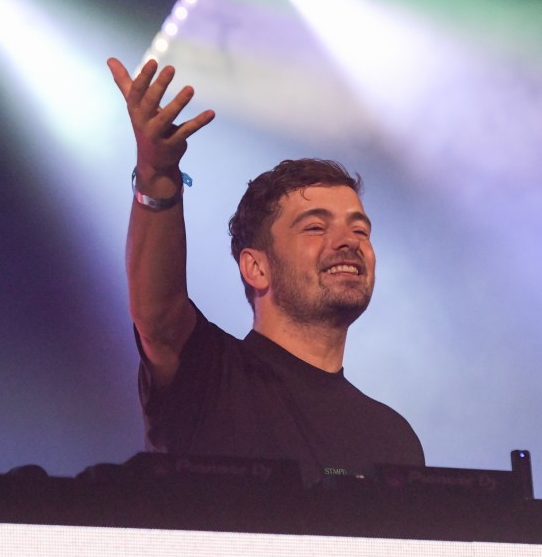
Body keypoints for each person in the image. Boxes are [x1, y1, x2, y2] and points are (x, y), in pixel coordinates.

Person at [108, 58, 425, 485]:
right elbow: (157, 314)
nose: (348, 241)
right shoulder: (213, 378)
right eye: (315, 226)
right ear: (256, 267)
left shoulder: (394, 439)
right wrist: (156, 174)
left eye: (359, 228)